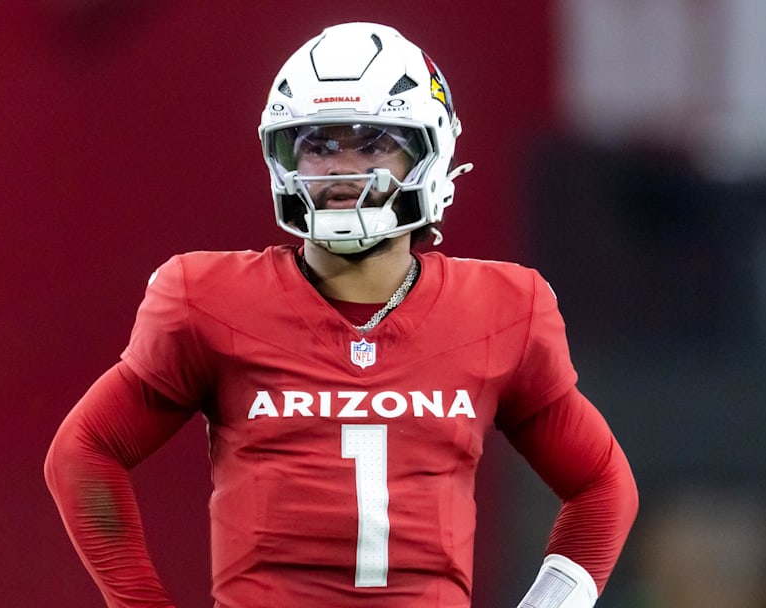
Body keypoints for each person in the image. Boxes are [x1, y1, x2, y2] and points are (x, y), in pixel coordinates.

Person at [45, 22, 638, 608]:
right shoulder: (207, 299)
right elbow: (84, 451)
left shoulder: (503, 309)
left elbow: (602, 486)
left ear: (430, 153)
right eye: (319, 145)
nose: (342, 168)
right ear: (285, 158)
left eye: (374, 142)